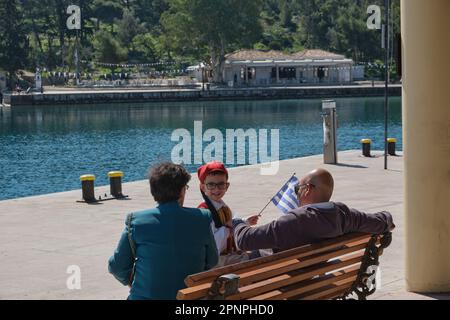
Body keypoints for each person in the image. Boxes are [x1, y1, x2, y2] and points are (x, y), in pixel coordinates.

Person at [108, 162, 218, 300]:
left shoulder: (137, 222)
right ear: (182, 190)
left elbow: (116, 266)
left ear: (153, 191)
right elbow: (212, 260)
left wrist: (132, 282)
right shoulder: (202, 218)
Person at [233, 168, 395, 253]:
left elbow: (244, 240)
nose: (296, 194)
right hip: (315, 277)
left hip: (284, 279)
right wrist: (387, 219)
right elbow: (381, 221)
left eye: (297, 189)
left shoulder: (296, 220)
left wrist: (238, 222)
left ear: (308, 189)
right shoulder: (344, 214)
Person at [197, 161, 259, 266]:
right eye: (211, 185)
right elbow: (214, 244)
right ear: (203, 187)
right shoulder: (204, 213)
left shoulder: (222, 207)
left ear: (227, 186)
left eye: (221, 184)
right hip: (216, 261)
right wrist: (230, 228)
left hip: (227, 255)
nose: (216, 189)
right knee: (257, 257)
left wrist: (245, 221)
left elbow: (227, 223)